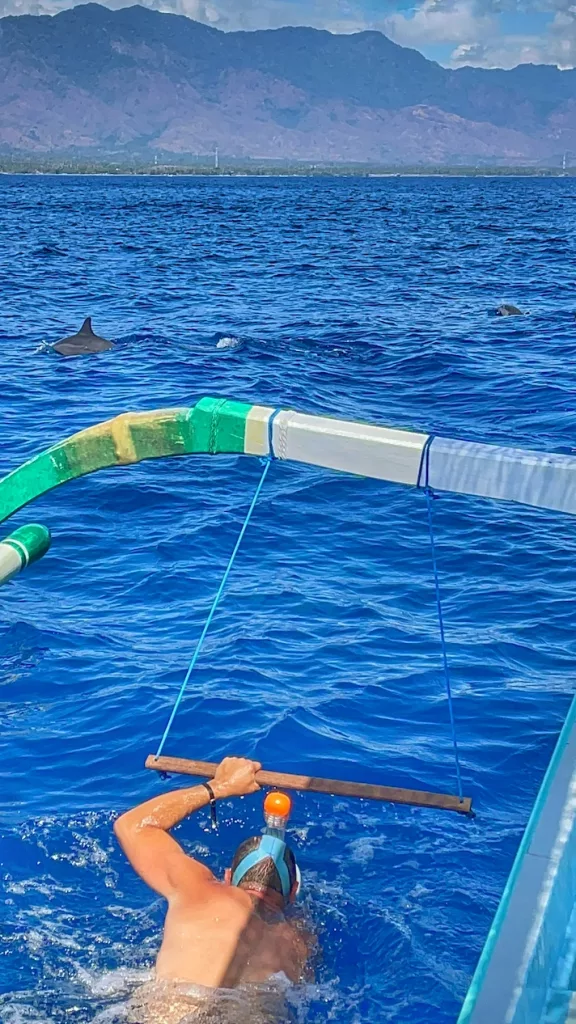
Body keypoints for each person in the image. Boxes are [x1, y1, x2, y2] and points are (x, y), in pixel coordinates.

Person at [114, 755, 314, 1019]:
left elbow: (132, 826)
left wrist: (219, 786)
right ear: (292, 891)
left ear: (229, 877)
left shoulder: (198, 890)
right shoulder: (300, 941)